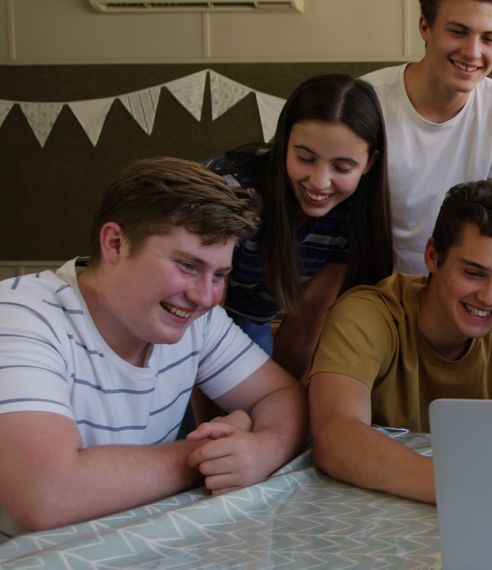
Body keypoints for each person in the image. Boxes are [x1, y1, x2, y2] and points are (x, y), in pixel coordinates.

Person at [0, 158, 307, 537]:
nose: (205, 297)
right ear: (115, 243)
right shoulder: (19, 314)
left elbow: (282, 394)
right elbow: (45, 495)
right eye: (187, 266)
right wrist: (206, 456)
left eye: (220, 275)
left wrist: (262, 448)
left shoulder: (198, 322)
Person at [307, 181, 492, 503]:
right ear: (433, 255)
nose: (490, 297)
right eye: (474, 273)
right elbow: (335, 437)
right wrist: (462, 490)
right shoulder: (367, 317)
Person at [207, 74, 393, 379]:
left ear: (369, 163)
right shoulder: (236, 194)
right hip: (183, 316)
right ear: (283, 145)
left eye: (342, 168)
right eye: (305, 158)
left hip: (252, 319)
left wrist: (279, 410)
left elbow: (303, 334)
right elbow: (204, 327)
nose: (319, 183)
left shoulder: (353, 215)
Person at [362, 0, 492, 273]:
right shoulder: (367, 100)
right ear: (425, 27)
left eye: (489, 38)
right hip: (368, 283)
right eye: (457, 31)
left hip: (455, 286)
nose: (472, 52)